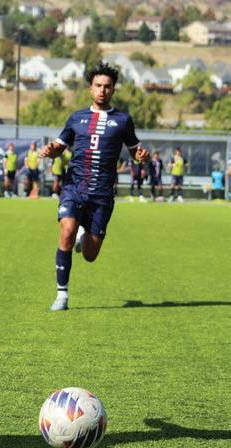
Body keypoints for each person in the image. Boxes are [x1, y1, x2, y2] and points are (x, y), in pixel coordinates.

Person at [39, 62, 149, 311]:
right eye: (98, 85)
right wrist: (50, 150)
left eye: (107, 86)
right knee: (66, 232)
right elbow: (59, 146)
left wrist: (142, 156)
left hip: (102, 194)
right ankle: (62, 295)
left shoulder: (123, 120)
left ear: (113, 90)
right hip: (74, 187)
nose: (102, 90)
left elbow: (135, 151)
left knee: (90, 255)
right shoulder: (76, 118)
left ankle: (84, 233)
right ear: (90, 88)